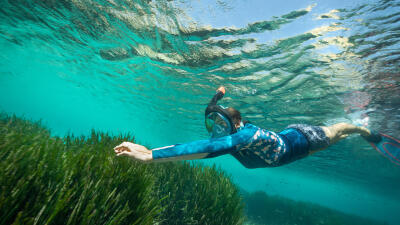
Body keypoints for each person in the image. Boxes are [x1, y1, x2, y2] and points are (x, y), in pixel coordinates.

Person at [114, 87, 387, 168]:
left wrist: (150, 155)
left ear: (236, 124)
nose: (215, 129)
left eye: (221, 125)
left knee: (338, 132)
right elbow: (210, 118)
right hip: (288, 138)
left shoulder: (243, 135)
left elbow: (206, 148)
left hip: (302, 138)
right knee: (335, 137)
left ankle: (365, 130)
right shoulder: (232, 132)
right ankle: (358, 126)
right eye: (213, 124)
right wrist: (218, 96)